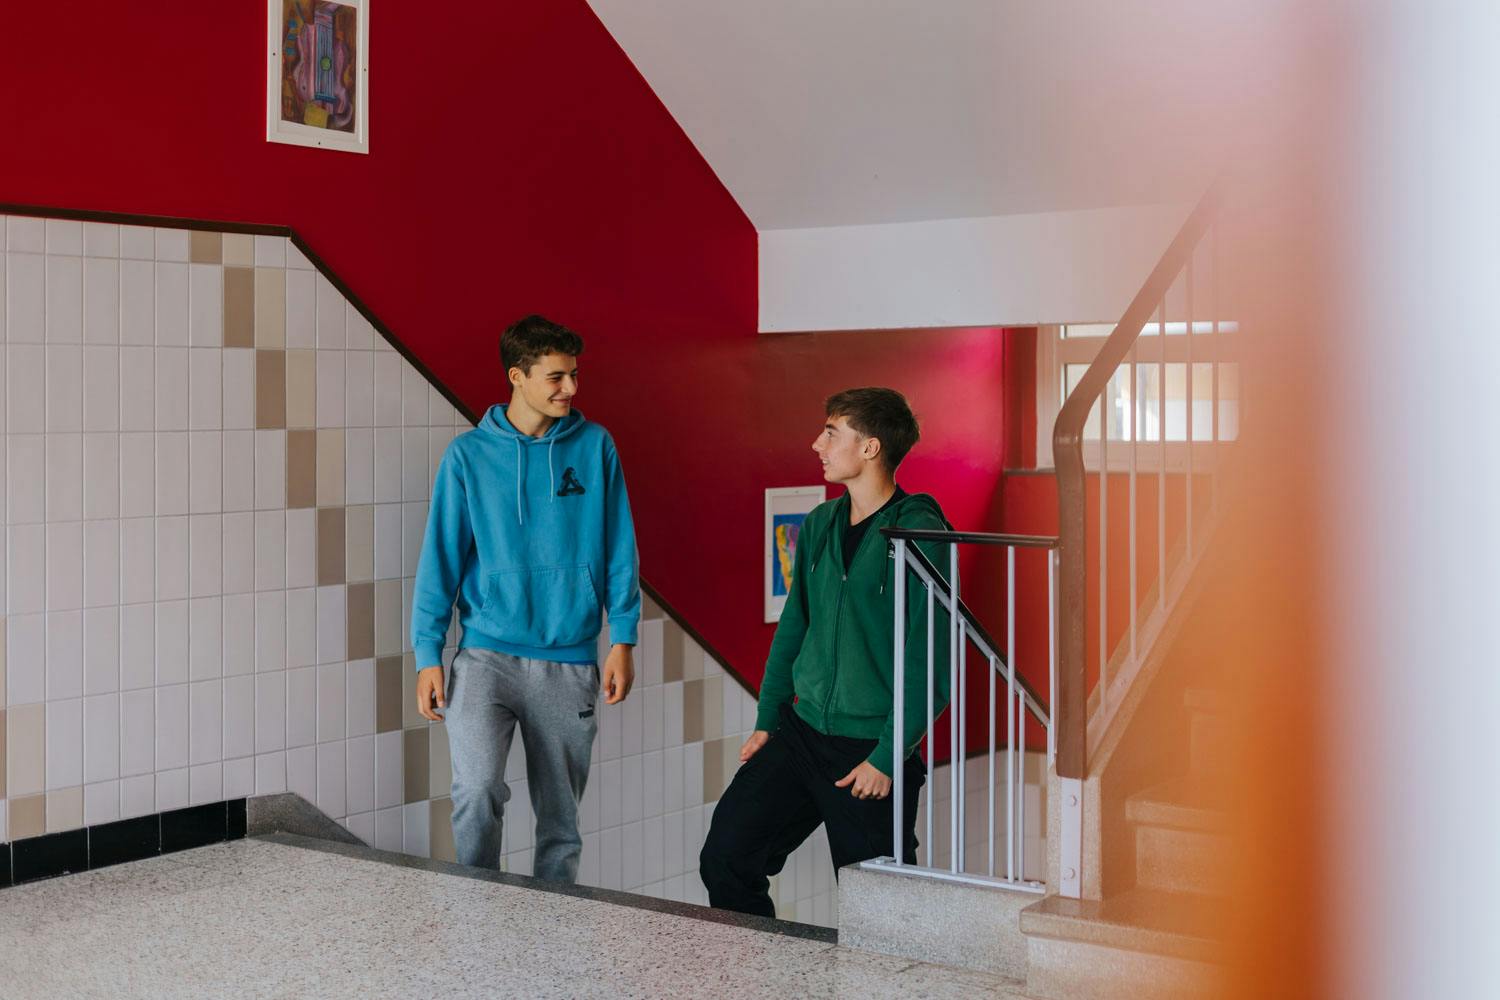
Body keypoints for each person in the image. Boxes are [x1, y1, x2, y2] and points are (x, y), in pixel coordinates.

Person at [699, 387, 952, 917]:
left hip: (868, 749)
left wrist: (887, 756)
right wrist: (769, 718)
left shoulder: (921, 534)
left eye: (832, 432)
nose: (817, 443)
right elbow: (794, 629)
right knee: (726, 855)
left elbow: (930, 657)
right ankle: (767, 975)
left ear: (870, 448)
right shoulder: (819, 524)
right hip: (801, 732)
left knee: (879, 910)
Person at [411, 314, 639, 882]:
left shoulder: (594, 446)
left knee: (561, 820)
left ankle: (552, 934)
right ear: (518, 376)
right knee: (477, 788)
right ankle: (477, 912)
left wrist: (624, 638)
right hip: (485, 657)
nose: (571, 389)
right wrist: (427, 654)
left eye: (575, 375)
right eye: (557, 377)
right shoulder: (468, 457)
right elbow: (439, 558)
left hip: (569, 659)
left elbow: (619, 548)